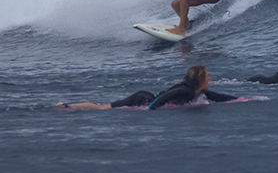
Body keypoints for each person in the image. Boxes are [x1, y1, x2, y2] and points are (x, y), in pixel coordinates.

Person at [56, 65, 237, 110]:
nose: (210, 79)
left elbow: (218, 96)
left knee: (103, 107)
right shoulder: (187, 90)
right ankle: (66, 106)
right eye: (207, 76)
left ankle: (66, 105)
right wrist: (151, 108)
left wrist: (240, 100)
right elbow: (168, 96)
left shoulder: (196, 90)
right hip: (143, 99)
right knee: (102, 108)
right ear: (200, 79)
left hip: (147, 98)